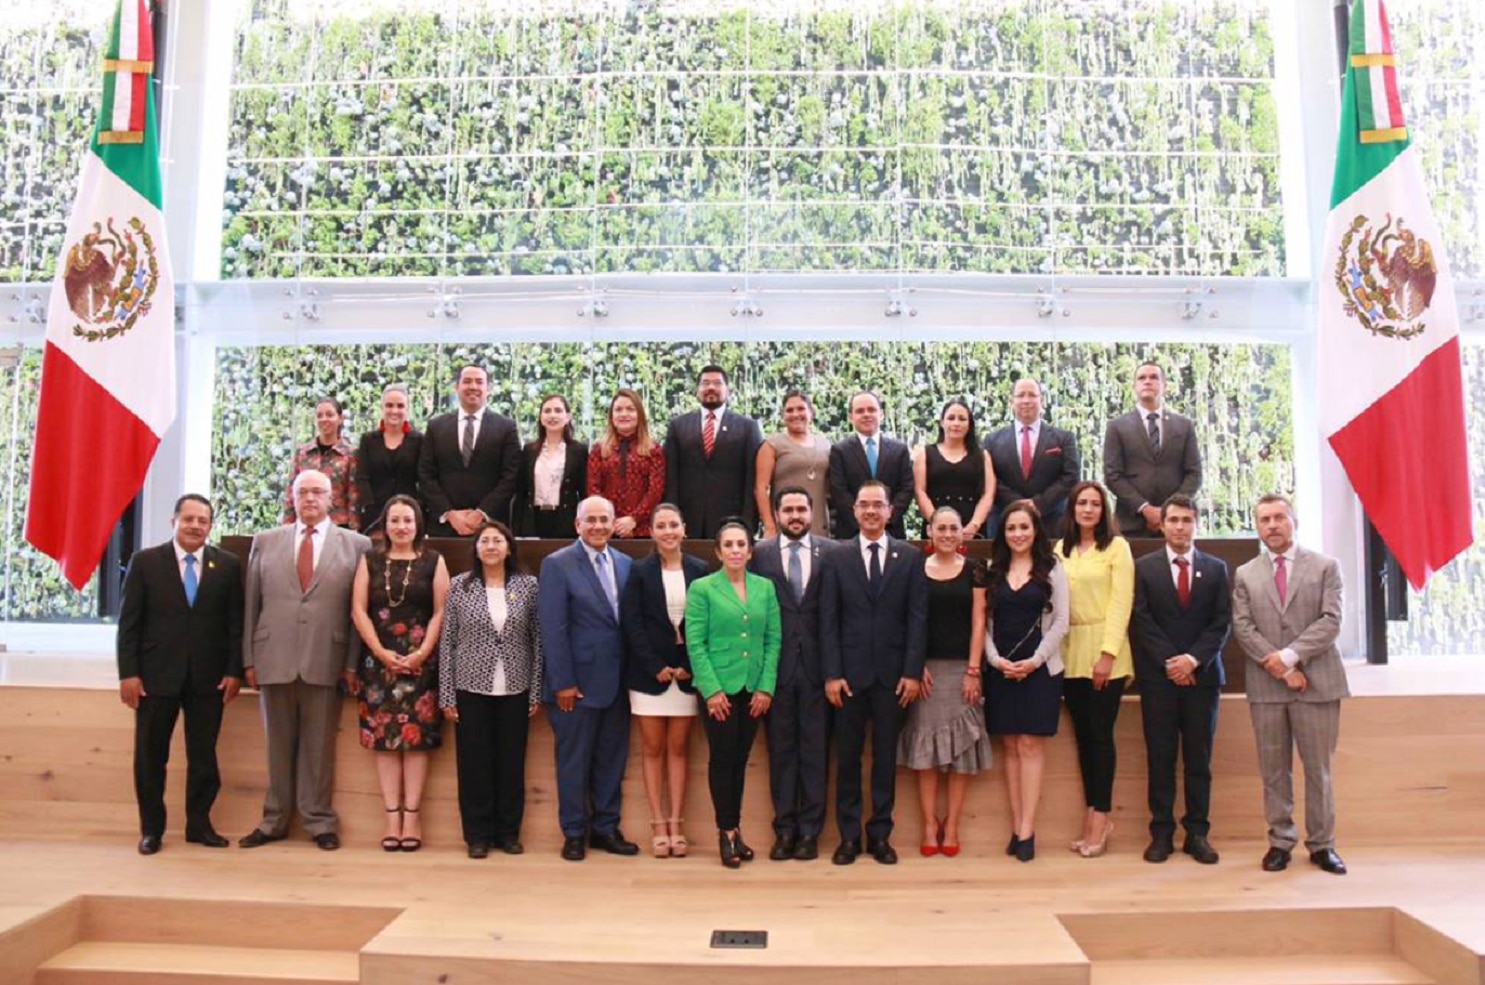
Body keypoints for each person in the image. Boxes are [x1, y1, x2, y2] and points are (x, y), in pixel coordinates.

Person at [241, 469, 372, 851]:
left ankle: (318, 821)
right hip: (273, 656)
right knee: (276, 745)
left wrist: (350, 663)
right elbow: (252, 603)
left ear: (332, 498)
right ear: (293, 498)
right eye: (304, 492)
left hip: (326, 656)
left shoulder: (356, 545)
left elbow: (357, 611)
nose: (311, 499)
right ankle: (274, 820)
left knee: (319, 747)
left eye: (318, 492)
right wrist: (248, 657)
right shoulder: (265, 542)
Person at [116, 494, 243, 855]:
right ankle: (151, 830)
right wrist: (129, 674)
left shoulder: (228, 565)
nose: (195, 526)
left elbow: (235, 624)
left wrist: (234, 670)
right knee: (150, 756)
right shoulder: (145, 562)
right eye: (188, 519)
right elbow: (129, 625)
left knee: (204, 756)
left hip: (209, 678)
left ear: (210, 526)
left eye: (202, 520)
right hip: (155, 678)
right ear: (174, 521)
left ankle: (199, 825)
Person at [1232, 494, 1349, 876]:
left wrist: (1290, 657)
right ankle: (1280, 841)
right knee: (1273, 770)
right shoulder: (1246, 574)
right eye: (1264, 519)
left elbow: (1331, 621)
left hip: (1317, 684)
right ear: (1257, 526)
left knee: (1319, 770)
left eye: (1279, 517)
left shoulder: (1326, 567)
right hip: (1267, 688)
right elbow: (1244, 628)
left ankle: (1322, 844)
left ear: (1293, 521)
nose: (1272, 526)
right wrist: (1282, 669)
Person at [819, 480, 928, 865]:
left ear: (889, 511)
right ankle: (849, 838)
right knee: (847, 760)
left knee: (885, 760)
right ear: (854, 511)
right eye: (863, 504)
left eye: (877, 505)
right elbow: (827, 620)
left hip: (893, 679)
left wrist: (913, 672)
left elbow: (917, 620)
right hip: (847, 678)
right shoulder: (836, 557)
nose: (870, 511)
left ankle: (880, 836)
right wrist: (831, 673)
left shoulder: (909, 557)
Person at [1130, 493, 1231, 865]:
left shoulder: (1217, 568)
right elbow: (1142, 620)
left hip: (1203, 680)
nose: (1179, 527)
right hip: (1158, 679)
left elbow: (1221, 623)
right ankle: (1161, 833)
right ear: (1162, 524)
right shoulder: (1145, 567)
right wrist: (1171, 663)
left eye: (1186, 520)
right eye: (1173, 520)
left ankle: (1197, 834)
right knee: (1160, 758)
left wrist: (1191, 661)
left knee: (1198, 760)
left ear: (1196, 524)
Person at [538, 495, 640, 861]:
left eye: (604, 519)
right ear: (577, 525)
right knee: (573, 761)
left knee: (612, 759)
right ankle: (575, 832)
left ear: (614, 523)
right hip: (574, 686)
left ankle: (606, 828)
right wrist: (562, 681)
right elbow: (553, 627)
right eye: (591, 519)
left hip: (617, 682)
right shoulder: (558, 564)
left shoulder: (627, 564)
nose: (598, 526)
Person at [349, 495, 450, 852]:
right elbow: (358, 610)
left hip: (422, 663)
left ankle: (413, 817)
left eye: (408, 520)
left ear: (418, 524)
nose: (401, 527)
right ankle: (391, 817)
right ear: (385, 524)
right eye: (395, 520)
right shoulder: (370, 560)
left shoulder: (433, 560)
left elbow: (441, 610)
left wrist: (422, 652)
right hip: (379, 664)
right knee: (386, 742)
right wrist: (379, 651)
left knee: (417, 742)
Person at [439, 520, 544, 859]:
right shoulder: (460, 586)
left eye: (498, 540)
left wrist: (535, 691)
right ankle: (477, 836)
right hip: (470, 686)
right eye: (485, 541)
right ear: (476, 548)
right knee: (474, 764)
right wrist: (447, 694)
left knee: (511, 764)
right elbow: (448, 643)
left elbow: (537, 641)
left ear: (509, 548)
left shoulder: (528, 586)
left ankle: (509, 833)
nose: (492, 546)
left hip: (516, 686)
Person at [685, 520, 782, 868]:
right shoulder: (702, 588)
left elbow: (773, 640)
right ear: (718, 552)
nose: (736, 550)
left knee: (740, 761)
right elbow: (696, 643)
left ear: (751, 550)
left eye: (741, 544)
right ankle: (726, 833)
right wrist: (711, 690)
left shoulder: (765, 588)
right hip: (719, 691)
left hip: (753, 689)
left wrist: (766, 687)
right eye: (729, 545)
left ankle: (735, 829)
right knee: (722, 760)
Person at [751, 487, 840, 861]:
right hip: (777, 670)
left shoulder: (833, 553)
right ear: (776, 513)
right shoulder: (759, 554)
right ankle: (784, 831)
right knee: (782, 753)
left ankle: (810, 834)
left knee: (816, 754)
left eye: (801, 509)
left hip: (821, 669)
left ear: (811, 511)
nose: (795, 515)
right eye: (787, 509)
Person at [898, 507, 992, 858]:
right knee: (925, 754)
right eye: (942, 528)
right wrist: (915, 664)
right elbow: (908, 621)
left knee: (960, 755)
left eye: (954, 527)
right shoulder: (914, 570)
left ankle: (951, 824)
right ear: (930, 531)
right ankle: (927, 824)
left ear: (961, 532)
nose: (949, 534)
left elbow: (979, 621)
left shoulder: (975, 570)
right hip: (926, 673)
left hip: (962, 671)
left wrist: (973, 670)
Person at [983, 499, 1069, 862]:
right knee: (1012, 748)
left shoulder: (1053, 570)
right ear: (1003, 534)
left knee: (1031, 747)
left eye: (1024, 527)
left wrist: (1033, 662)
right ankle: (1016, 825)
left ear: (1036, 531)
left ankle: (1028, 831)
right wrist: (994, 659)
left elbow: (1062, 622)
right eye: (1011, 528)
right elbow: (982, 624)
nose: (1018, 534)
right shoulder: (992, 569)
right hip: (1000, 669)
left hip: (1039, 671)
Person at [620, 503, 708, 858]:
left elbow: (706, 622)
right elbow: (632, 623)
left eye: (674, 524)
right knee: (653, 748)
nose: (668, 531)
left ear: (684, 529)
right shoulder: (639, 571)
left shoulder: (700, 570)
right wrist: (654, 664)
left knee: (679, 749)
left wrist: (689, 663)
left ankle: (677, 823)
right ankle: (657, 824)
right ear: (652, 532)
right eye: (661, 525)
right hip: (647, 674)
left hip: (688, 674)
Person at [1057, 481, 1135, 859]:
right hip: (1070, 651)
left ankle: (1101, 818)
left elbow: (1122, 603)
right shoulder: (1060, 550)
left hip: (1106, 652)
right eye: (1081, 503)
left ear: (1104, 511)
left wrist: (1107, 653)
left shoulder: (1117, 548)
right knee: (1084, 740)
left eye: (1095, 504)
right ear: (1072, 509)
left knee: (1101, 738)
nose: (1088, 509)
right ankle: (1090, 814)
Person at [418, 364, 521, 536]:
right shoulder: (436, 426)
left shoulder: (506, 427)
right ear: (457, 387)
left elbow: (511, 476)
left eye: (479, 382)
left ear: (488, 388)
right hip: (444, 527)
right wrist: (449, 513)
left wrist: (481, 513)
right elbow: (425, 474)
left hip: (491, 527)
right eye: (467, 381)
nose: (473, 386)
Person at [1102, 360, 1203, 536]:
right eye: (1142, 378)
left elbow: (1194, 473)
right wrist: (1145, 508)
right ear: (1134, 386)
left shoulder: (1184, 426)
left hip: (1175, 524)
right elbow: (1112, 475)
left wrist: (1169, 510)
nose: (1147, 381)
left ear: (1164, 386)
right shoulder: (1117, 426)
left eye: (1154, 377)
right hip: (1131, 523)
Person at [663, 364, 763, 537]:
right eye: (705, 383)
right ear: (697, 390)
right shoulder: (678, 426)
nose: (711, 387)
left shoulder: (747, 427)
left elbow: (752, 479)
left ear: (728, 390)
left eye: (717, 383)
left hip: (731, 521)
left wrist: (748, 522)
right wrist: (671, 519)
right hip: (687, 520)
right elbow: (671, 478)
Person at [985, 378, 1081, 539]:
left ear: (1041, 400)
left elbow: (1071, 477)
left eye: (1032, 395)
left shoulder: (1064, 438)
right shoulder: (992, 440)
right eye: (1021, 395)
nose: (1026, 400)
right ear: (1011, 401)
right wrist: (1018, 505)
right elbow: (989, 479)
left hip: (1052, 520)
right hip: (1005, 522)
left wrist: (1039, 503)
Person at [828, 391, 914, 539]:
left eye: (871, 409)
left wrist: (885, 517)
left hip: (891, 532)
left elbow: (906, 488)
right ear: (850, 417)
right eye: (860, 411)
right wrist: (862, 520)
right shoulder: (839, 451)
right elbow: (839, 491)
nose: (866, 414)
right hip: (851, 534)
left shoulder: (899, 450)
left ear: (881, 414)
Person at [588, 388, 665, 538]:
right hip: (606, 529)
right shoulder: (599, 450)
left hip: (643, 529)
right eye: (618, 410)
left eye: (630, 409)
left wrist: (633, 519)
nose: (624, 414)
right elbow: (593, 488)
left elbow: (655, 490)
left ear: (639, 415)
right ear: (611, 416)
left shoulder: (653, 450)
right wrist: (610, 520)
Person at [912, 399, 994, 539]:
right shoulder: (924, 454)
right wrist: (938, 525)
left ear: (969, 425)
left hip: (972, 531)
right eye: (951, 418)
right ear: (942, 423)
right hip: (935, 532)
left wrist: (973, 526)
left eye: (962, 419)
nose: (956, 423)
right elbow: (920, 492)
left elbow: (988, 493)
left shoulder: (982, 456)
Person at [756, 390, 832, 538]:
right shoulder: (772, 445)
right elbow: (761, 488)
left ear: (811, 412)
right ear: (783, 416)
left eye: (801, 409)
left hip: (818, 525)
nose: (795, 414)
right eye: (789, 410)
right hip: (785, 525)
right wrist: (770, 526)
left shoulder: (825, 444)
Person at [513, 393, 589, 539]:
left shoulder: (578, 451)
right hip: (533, 519)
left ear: (568, 417)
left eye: (558, 410)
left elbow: (584, 492)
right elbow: (521, 492)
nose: (552, 415)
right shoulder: (529, 450)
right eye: (547, 411)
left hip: (565, 520)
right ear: (541, 418)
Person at [355, 384, 423, 534]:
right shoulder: (368, 440)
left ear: (407, 410)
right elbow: (362, 477)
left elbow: (424, 477)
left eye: (400, 406)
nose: (394, 410)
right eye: (389, 405)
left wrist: (417, 507)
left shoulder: (418, 440)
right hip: (374, 515)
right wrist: (372, 510)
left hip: (408, 516)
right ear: (382, 408)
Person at [284, 396, 359, 529]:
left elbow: (354, 496)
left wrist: (354, 531)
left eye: (329, 415)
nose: (324, 419)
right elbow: (291, 494)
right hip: (306, 524)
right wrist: (286, 527)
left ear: (340, 418)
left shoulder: (351, 454)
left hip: (337, 526)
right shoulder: (303, 453)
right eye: (319, 415)